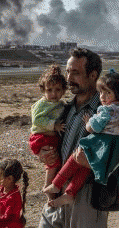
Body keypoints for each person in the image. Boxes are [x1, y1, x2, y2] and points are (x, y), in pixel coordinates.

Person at [38, 48, 119, 228]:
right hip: (57, 190)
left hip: (88, 196)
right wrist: (44, 152)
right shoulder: (65, 109)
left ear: (93, 75)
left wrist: (93, 163)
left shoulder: (111, 113)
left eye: (75, 73)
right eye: (67, 71)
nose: (68, 79)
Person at [28, 65, 67, 198]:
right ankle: (48, 187)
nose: (53, 94)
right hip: (40, 138)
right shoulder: (42, 104)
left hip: (50, 138)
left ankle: (52, 186)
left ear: (63, 91)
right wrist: (54, 125)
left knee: (55, 163)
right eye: (49, 90)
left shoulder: (61, 104)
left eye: (57, 90)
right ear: (43, 90)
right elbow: (37, 120)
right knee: (52, 161)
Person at [0, 159, 29, 228]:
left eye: (0, 174)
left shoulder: (13, 198)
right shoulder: (2, 189)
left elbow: (6, 220)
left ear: (9, 179)